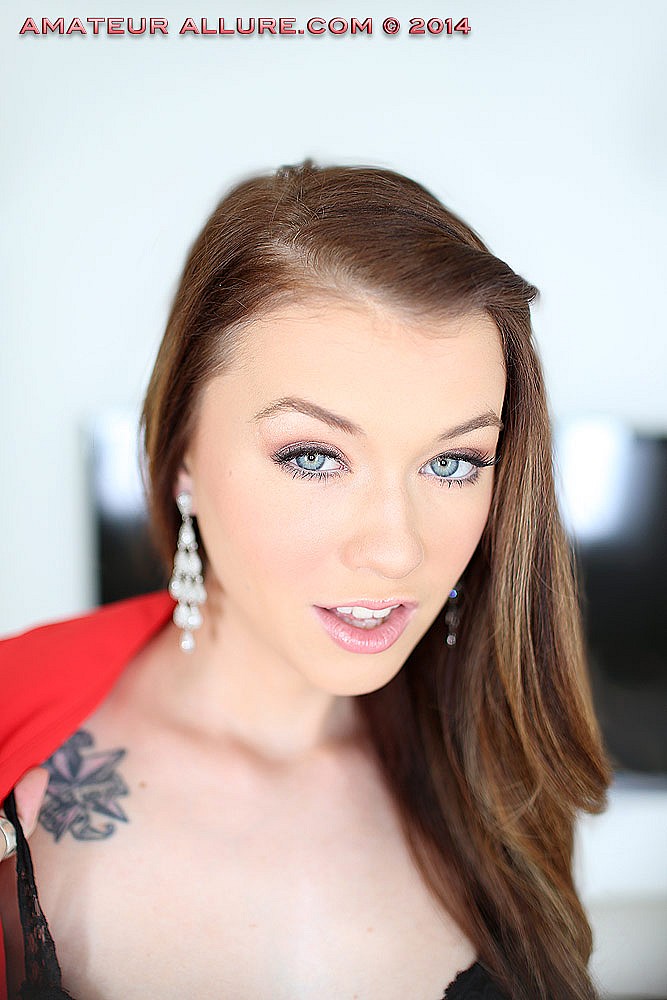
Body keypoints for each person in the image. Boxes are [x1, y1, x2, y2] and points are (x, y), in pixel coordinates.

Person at [0, 159, 612, 1000]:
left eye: (452, 462)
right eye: (313, 457)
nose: (396, 550)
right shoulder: (15, 743)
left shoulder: (503, 772)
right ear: (182, 457)